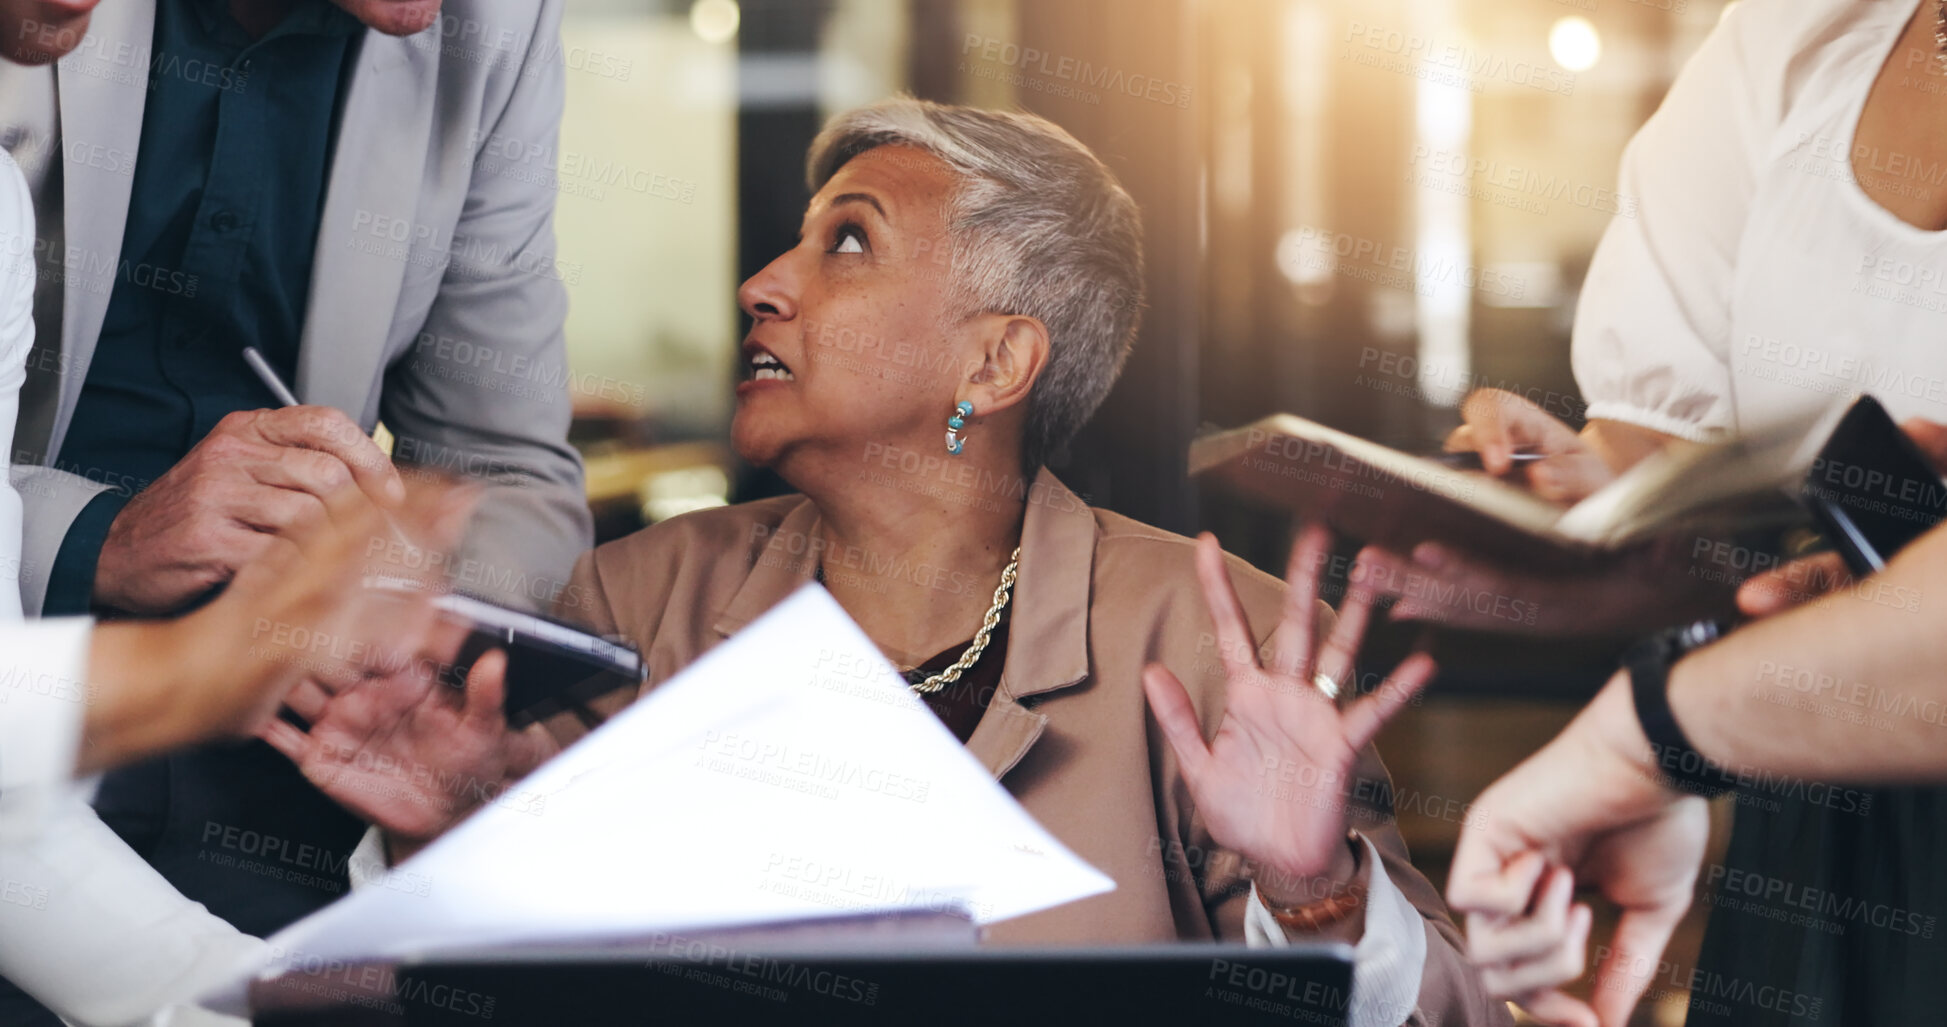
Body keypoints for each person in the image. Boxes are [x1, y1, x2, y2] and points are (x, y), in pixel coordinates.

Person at [344, 98, 1509, 1026]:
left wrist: (1314, 896)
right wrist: (449, 833)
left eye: (848, 240)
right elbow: (510, 990)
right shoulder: (639, 602)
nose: (764, 285)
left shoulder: (1217, 641)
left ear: (996, 362)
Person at [0, 0, 592, 984]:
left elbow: (513, 475)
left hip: (292, 795)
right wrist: (94, 541)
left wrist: (417, 613)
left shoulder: (500, 25)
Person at [1408, 2, 1947, 1022]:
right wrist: (1597, 486)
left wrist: (1647, 739)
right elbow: (1675, 467)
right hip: (1819, 786)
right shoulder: (1794, 33)